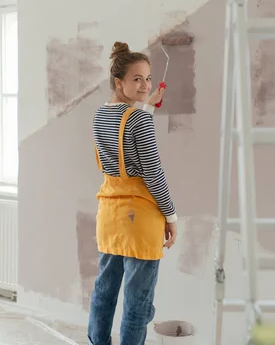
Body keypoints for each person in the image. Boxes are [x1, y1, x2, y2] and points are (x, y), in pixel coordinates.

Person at [88, 41, 178, 345]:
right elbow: (152, 173)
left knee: (105, 292)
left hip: (110, 215)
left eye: (148, 78)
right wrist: (171, 214)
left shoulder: (100, 114)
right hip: (139, 220)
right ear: (119, 82)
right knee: (138, 303)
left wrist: (147, 105)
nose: (145, 85)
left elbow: (121, 130)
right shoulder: (140, 119)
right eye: (137, 79)